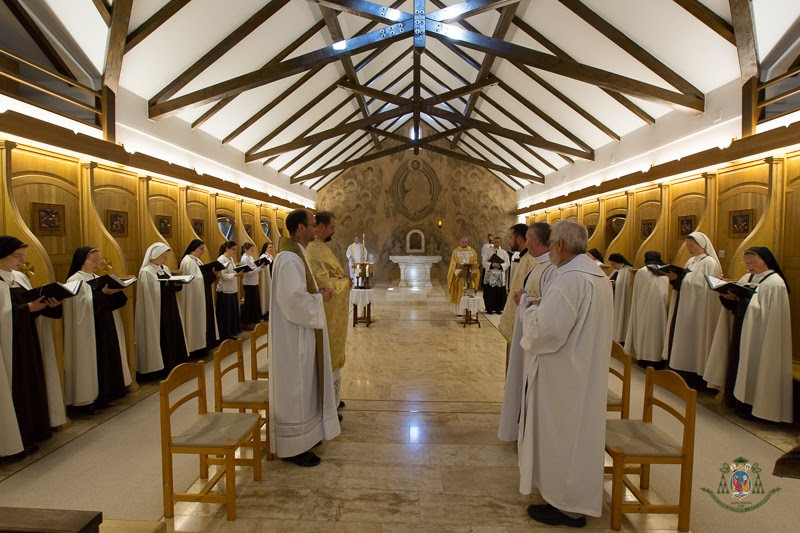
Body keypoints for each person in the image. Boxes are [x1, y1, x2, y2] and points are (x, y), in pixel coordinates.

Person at [516, 220, 612, 527]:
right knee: (577, 436)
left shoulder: (571, 279)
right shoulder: (595, 274)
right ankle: (570, 499)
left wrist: (530, 307)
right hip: (582, 368)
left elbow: (544, 331)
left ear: (559, 245)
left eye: (552, 243)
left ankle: (566, 506)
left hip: (565, 374)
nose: (550, 249)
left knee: (563, 435)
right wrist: (542, 305)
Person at [269, 209, 340, 467]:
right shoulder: (289, 259)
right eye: (312, 224)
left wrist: (316, 293)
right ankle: (293, 448)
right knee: (296, 389)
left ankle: (306, 437)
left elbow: (300, 292)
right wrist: (319, 298)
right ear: (301, 228)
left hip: (302, 334)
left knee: (305, 388)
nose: (315, 228)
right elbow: (293, 301)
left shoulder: (297, 255)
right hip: (293, 338)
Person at [704, 247, 792, 422]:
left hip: (761, 335)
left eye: (753, 262)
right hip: (741, 327)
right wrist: (726, 294)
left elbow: (767, 315)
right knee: (738, 361)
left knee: (753, 364)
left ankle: (752, 407)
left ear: (765, 261)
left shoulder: (775, 283)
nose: (749, 266)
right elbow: (738, 305)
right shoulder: (746, 278)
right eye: (746, 263)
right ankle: (735, 401)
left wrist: (739, 299)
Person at [0, 236, 67, 459]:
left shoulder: (19, 277)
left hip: (28, 340)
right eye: (18, 256)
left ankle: (34, 430)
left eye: (23, 256)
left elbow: (30, 305)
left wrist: (49, 304)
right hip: (9, 346)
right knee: (16, 387)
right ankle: (15, 439)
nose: (22, 261)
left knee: (31, 383)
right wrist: (26, 309)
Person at [498, 222, 557, 443]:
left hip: (535, 334)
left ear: (534, 241)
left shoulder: (550, 268)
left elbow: (550, 306)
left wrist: (525, 299)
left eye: (527, 238)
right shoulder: (533, 262)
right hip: (525, 326)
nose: (511, 240)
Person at [64, 247, 131, 413]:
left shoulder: (96, 278)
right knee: (90, 362)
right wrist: (103, 293)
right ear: (82, 261)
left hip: (104, 325)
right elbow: (81, 307)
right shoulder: (75, 280)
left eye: (98, 260)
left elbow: (108, 302)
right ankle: (88, 400)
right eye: (93, 260)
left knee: (105, 359)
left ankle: (105, 395)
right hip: (87, 329)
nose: (97, 264)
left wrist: (115, 292)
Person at [306, 211, 351, 420]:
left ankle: (334, 397)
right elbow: (324, 284)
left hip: (330, 312)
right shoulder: (314, 250)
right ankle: (328, 402)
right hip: (324, 311)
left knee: (333, 354)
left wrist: (342, 279)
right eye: (331, 227)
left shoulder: (321, 247)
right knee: (326, 354)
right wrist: (345, 283)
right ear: (320, 227)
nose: (334, 231)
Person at [662, 232, 722, 382]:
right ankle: (679, 370)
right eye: (687, 246)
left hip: (699, 309)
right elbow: (687, 280)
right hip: (685, 305)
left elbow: (705, 287)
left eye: (692, 246)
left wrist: (681, 280)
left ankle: (695, 375)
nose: (689, 249)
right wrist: (675, 279)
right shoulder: (690, 261)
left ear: (702, 245)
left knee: (696, 339)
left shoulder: (709, 262)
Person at [135, 243, 189, 376]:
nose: (165, 259)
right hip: (157, 309)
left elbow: (167, 286)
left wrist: (177, 284)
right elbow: (150, 293)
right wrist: (167, 286)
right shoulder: (146, 271)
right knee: (161, 335)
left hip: (170, 306)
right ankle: (161, 367)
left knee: (172, 333)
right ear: (154, 255)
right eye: (163, 257)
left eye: (166, 257)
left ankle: (174, 362)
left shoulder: (165, 268)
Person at [624, 251, 670, 368]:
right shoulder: (665, 271)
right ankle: (658, 359)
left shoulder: (642, 272)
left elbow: (637, 291)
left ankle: (644, 357)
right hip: (660, 309)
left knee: (644, 332)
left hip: (643, 307)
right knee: (658, 332)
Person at [178, 240, 218, 358]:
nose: (202, 251)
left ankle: (205, 344)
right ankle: (196, 348)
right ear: (193, 248)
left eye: (203, 249)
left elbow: (201, 276)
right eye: (201, 249)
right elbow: (195, 280)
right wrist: (211, 274)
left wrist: (210, 273)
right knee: (195, 320)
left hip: (202, 293)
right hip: (194, 297)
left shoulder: (196, 260)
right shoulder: (187, 261)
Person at [498, 224, 534, 343]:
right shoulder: (525, 258)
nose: (508, 241)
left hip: (524, 316)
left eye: (510, 237)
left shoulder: (531, 260)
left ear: (519, 239)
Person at [446, 235, 479, 315]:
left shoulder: (472, 251)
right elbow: (453, 264)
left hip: (469, 277)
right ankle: (460, 311)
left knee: (469, 292)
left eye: (466, 242)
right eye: (463, 242)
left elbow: (475, 262)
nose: (464, 243)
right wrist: (458, 271)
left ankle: (469, 310)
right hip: (460, 277)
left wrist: (471, 270)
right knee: (460, 292)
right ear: (459, 242)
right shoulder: (455, 252)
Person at [215, 240, 242, 341]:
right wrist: (235, 274)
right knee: (226, 313)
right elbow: (223, 275)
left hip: (232, 288)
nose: (235, 251)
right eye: (233, 249)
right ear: (227, 249)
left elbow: (232, 270)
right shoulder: (221, 259)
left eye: (235, 249)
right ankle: (225, 334)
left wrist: (238, 271)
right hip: (225, 290)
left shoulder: (230, 258)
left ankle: (231, 331)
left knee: (232, 312)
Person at [608, 253, 633, 344]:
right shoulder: (618, 270)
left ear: (619, 262)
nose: (613, 266)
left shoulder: (626, 271)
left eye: (614, 264)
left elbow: (623, 286)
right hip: (616, 297)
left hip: (623, 299)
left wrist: (615, 284)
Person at [482, 236, 509, 314]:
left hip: (500, 275)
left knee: (499, 293)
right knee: (490, 292)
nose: (496, 244)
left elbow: (507, 263)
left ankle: (498, 309)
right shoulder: (488, 251)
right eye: (495, 242)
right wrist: (492, 264)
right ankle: (489, 308)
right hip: (490, 274)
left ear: (500, 243)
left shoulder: (504, 252)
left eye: (498, 242)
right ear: (493, 242)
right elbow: (484, 262)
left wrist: (500, 266)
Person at [240, 242, 261, 330]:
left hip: (254, 282)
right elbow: (247, 273)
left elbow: (252, 267)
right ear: (246, 250)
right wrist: (259, 268)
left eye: (253, 250)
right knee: (248, 304)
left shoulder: (250, 257)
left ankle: (252, 321)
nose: (253, 252)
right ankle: (246, 323)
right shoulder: (244, 258)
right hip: (249, 283)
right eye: (251, 250)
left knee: (253, 303)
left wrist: (258, 265)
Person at [258, 242, 274, 321]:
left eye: (271, 247)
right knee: (265, 294)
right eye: (269, 247)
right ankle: (264, 312)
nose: (271, 249)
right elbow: (263, 268)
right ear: (265, 248)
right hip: (266, 278)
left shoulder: (270, 256)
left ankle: (269, 310)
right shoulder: (263, 256)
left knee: (270, 294)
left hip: (270, 276)